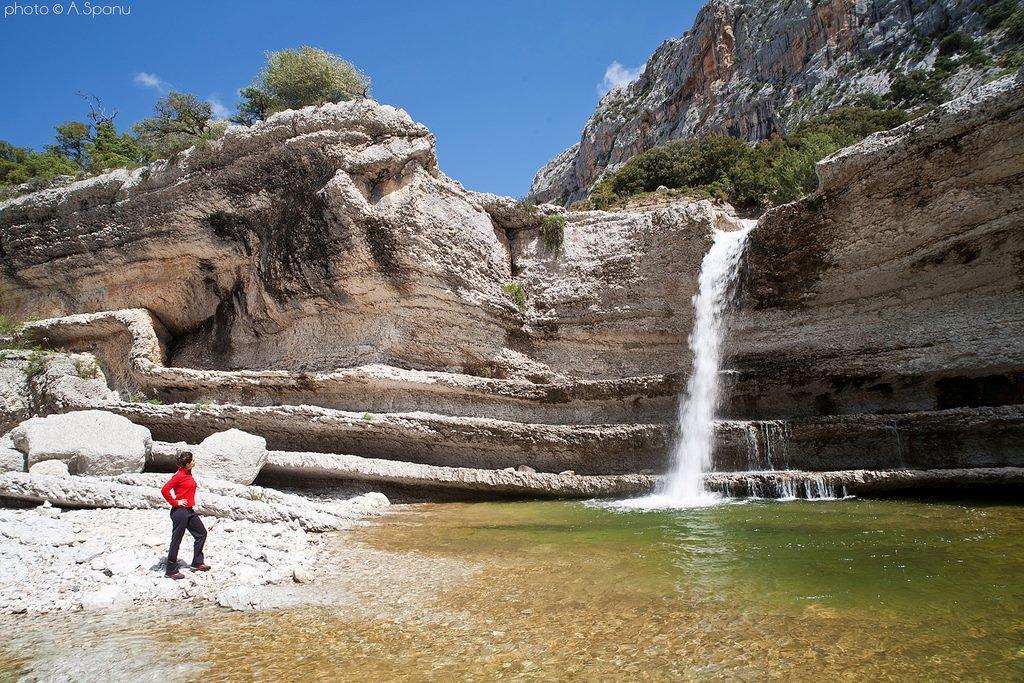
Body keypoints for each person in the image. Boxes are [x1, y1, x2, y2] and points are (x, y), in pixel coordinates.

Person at [160, 450, 210, 579]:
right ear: (187, 464)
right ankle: (171, 571)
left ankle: (197, 563)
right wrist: (175, 502)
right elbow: (165, 489)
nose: (194, 462)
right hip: (180, 512)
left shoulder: (188, 473)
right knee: (176, 540)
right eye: (192, 460)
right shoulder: (179, 475)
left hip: (189, 510)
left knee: (201, 533)